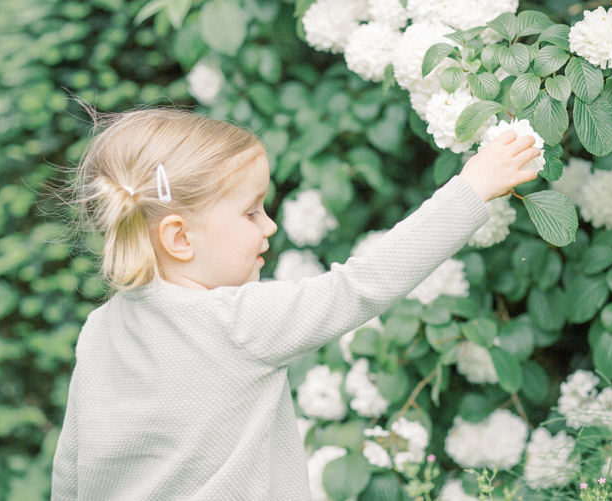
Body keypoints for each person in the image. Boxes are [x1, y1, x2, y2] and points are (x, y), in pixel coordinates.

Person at [51, 107, 540, 500]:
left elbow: (73, 464)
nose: (270, 226)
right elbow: (363, 284)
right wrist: (473, 188)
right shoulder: (238, 323)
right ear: (179, 238)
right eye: (250, 212)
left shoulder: (99, 329)